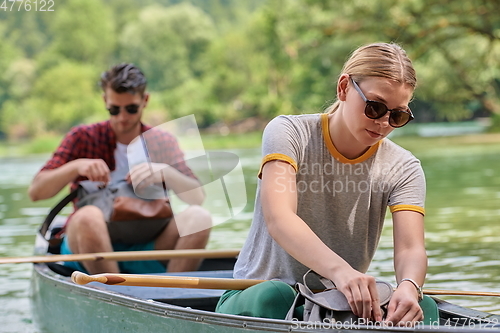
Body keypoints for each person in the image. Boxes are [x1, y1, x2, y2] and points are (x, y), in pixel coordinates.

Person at [216, 42, 438, 326]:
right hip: (260, 299)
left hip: (338, 306)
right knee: (277, 296)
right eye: (375, 107)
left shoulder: (404, 167)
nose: (384, 123)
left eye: (397, 115)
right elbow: (280, 219)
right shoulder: (287, 132)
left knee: (425, 307)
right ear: (344, 87)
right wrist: (342, 272)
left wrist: (409, 286)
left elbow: (410, 249)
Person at [28, 63, 211, 275]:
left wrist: (165, 172)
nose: (122, 117)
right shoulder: (82, 137)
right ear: (105, 101)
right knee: (88, 217)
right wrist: (76, 167)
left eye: (131, 109)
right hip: (89, 249)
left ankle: (172, 296)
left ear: (145, 101)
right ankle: (113, 294)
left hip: (151, 246)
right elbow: (36, 192)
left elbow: (197, 198)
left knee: (200, 217)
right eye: (114, 110)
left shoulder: (162, 141)